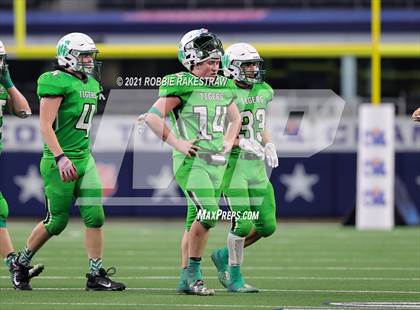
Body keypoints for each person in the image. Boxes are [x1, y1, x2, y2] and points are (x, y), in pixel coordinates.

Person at [11, 33, 125, 291]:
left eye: (90, 55)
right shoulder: (55, 81)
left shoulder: (92, 83)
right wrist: (61, 157)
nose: (89, 60)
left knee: (95, 215)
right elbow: (44, 125)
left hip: (85, 158)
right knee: (57, 221)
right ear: (68, 56)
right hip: (58, 160)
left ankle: (95, 275)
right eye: (84, 55)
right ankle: (21, 263)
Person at [145, 28, 241, 295]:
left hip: (216, 162)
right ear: (191, 61)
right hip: (192, 162)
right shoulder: (181, 84)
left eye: (216, 61)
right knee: (208, 214)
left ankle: (183, 279)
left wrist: (229, 139)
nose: (215, 66)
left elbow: (236, 119)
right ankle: (194, 277)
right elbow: (152, 117)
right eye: (209, 62)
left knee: (194, 222)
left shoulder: (223, 85)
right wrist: (178, 143)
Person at [211, 43, 278, 293]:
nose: (253, 69)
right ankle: (234, 276)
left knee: (267, 226)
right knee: (242, 224)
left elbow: (258, 122)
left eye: (254, 64)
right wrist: (240, 141)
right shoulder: (221, 91)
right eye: (247, 64)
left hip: (256, 166)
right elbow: (215, 133)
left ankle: (222, 255)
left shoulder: (263, 90)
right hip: (233, 164)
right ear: (232, 68)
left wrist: (268, 142)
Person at [0, 40, 44, 289]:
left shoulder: (2, 83)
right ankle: (14, 266)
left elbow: (25, 111)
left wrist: (8, 83)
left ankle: (14, 266)